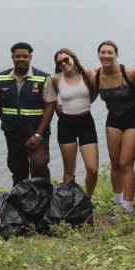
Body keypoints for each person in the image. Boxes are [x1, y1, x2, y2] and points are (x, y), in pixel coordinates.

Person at [0, 42, 57, 185]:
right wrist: (6, 121)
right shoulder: (2, 78)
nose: (21, 59)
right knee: (17, 168)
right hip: (13, 132)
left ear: (30, 57)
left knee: (39, 164)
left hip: (36, 132)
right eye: (18, 56)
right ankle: (20, 195)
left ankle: (43, 195)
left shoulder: (43, 78)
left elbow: (50, 107)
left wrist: (38, 134)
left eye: (25, 56)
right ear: (12, 58)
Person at [96, 40, 135, 214]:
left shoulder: (129, 73)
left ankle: (128, 207)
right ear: (98, 54)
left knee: (126, 163)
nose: (106, 55)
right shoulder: (96, 75)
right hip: (113, 119)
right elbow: (87, 91)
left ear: (116, 55)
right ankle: (117, 203)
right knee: (115, 163)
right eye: (103, 52)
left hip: (134, 118)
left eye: (110, 52)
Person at [52, 48, 99, 197]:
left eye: (66, 60)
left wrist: (87, 102)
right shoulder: (56, 79)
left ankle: (87, 198)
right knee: (69, 169)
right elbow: (52, 97)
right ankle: (68, 200)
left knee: (92, 169)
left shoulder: (86, 73)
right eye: (59, 62)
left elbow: (96, 89)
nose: (63, 64)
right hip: (66, 124)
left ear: (73, 58)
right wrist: (57, 107)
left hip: (86, 123)